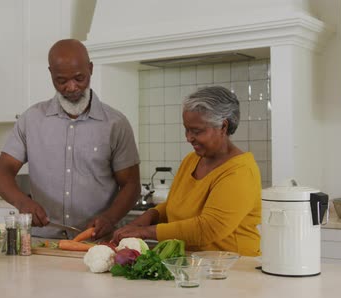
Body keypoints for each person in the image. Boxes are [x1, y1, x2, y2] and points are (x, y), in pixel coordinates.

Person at [0, 39, 141, 240]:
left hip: (95, 244)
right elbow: (1, 173)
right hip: (41, 243)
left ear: (90, 69)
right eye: (61, 81)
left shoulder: (115, 123)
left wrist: (110, 217)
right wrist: (22, 202)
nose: (71, 87)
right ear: (51, 74)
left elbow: (131, 185)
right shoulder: (31, 119)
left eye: (79, 78)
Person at [111, 86, 261, 256]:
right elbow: (175, 205)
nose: (188, 137)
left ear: (223, 127)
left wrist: (147, 232)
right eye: (187, 129)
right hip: (195, 266)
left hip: (232, 270)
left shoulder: (240, 171)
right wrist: (150, 216)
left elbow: (208, 228)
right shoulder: (192, 160)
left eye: (197, 131)